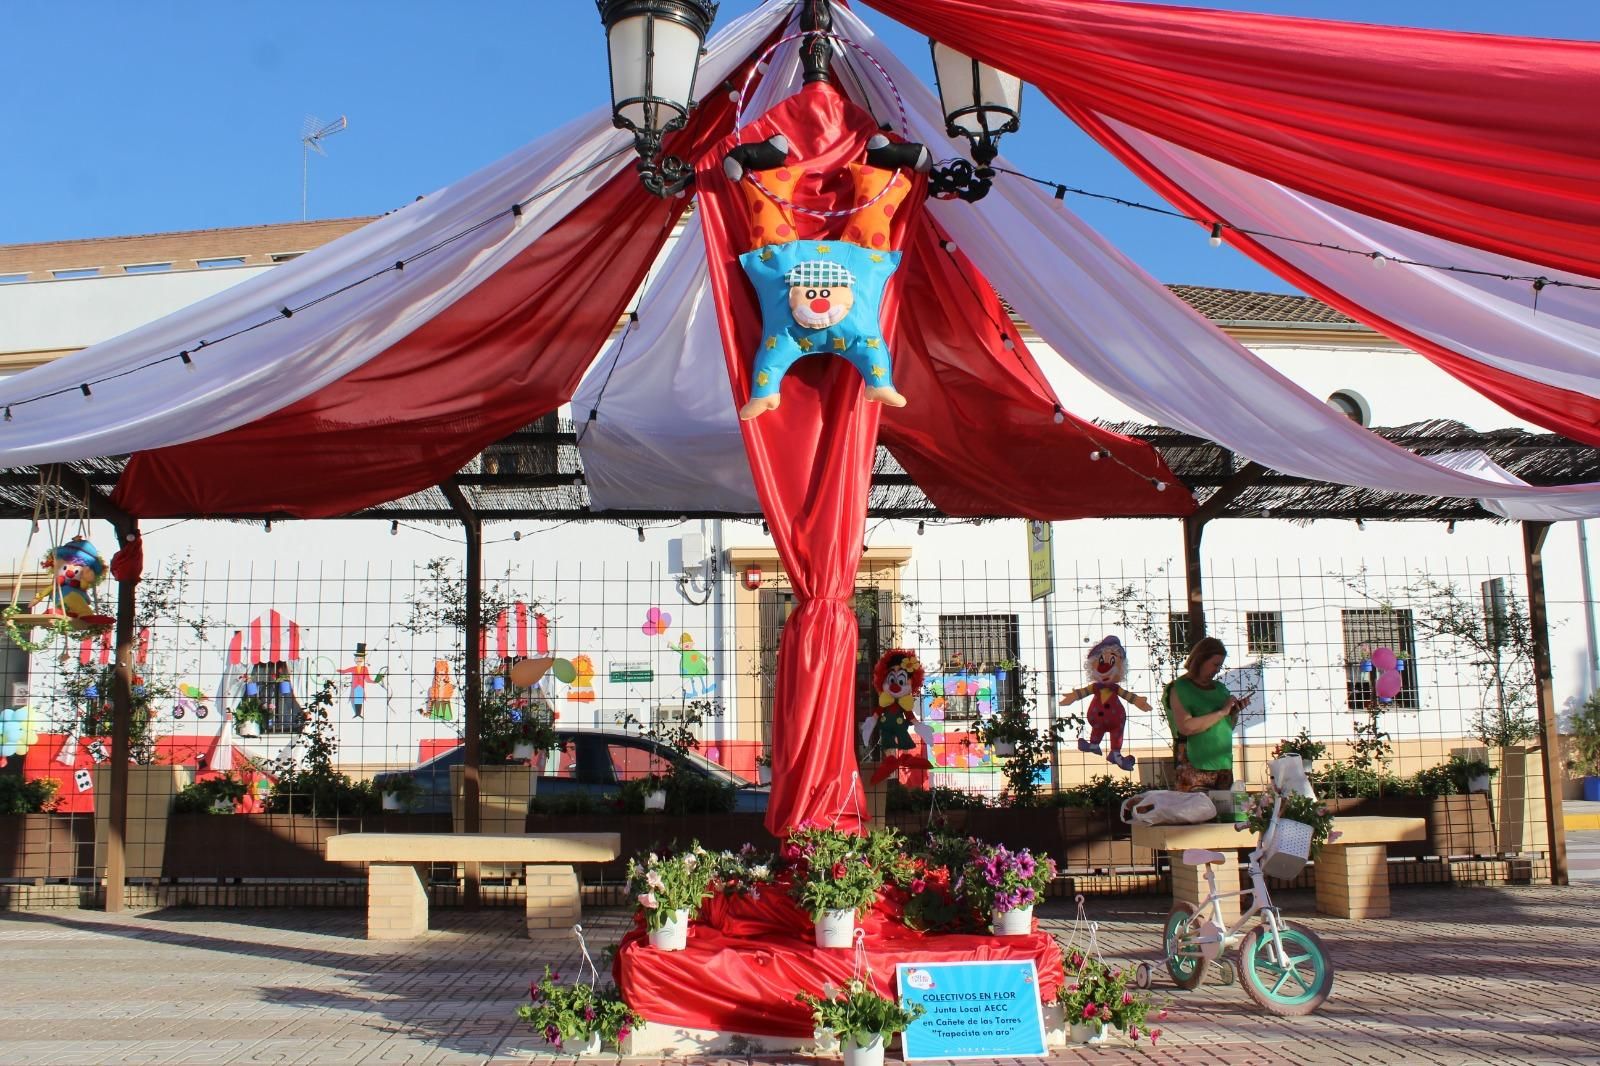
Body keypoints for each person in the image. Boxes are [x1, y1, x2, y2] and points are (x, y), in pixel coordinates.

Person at [1164, 636, 1241, 792]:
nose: (1217, 669)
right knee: (1195, 813)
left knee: (1223, 813)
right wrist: (1222, 712)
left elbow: (1226, 727)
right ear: (1200, 660)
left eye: (1220, 665)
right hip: (1194, 764)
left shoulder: (1220, 689)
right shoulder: (1179, 688)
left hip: (1222, 763)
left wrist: (1233, 713)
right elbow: (1186, 727)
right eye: (1215, 664)